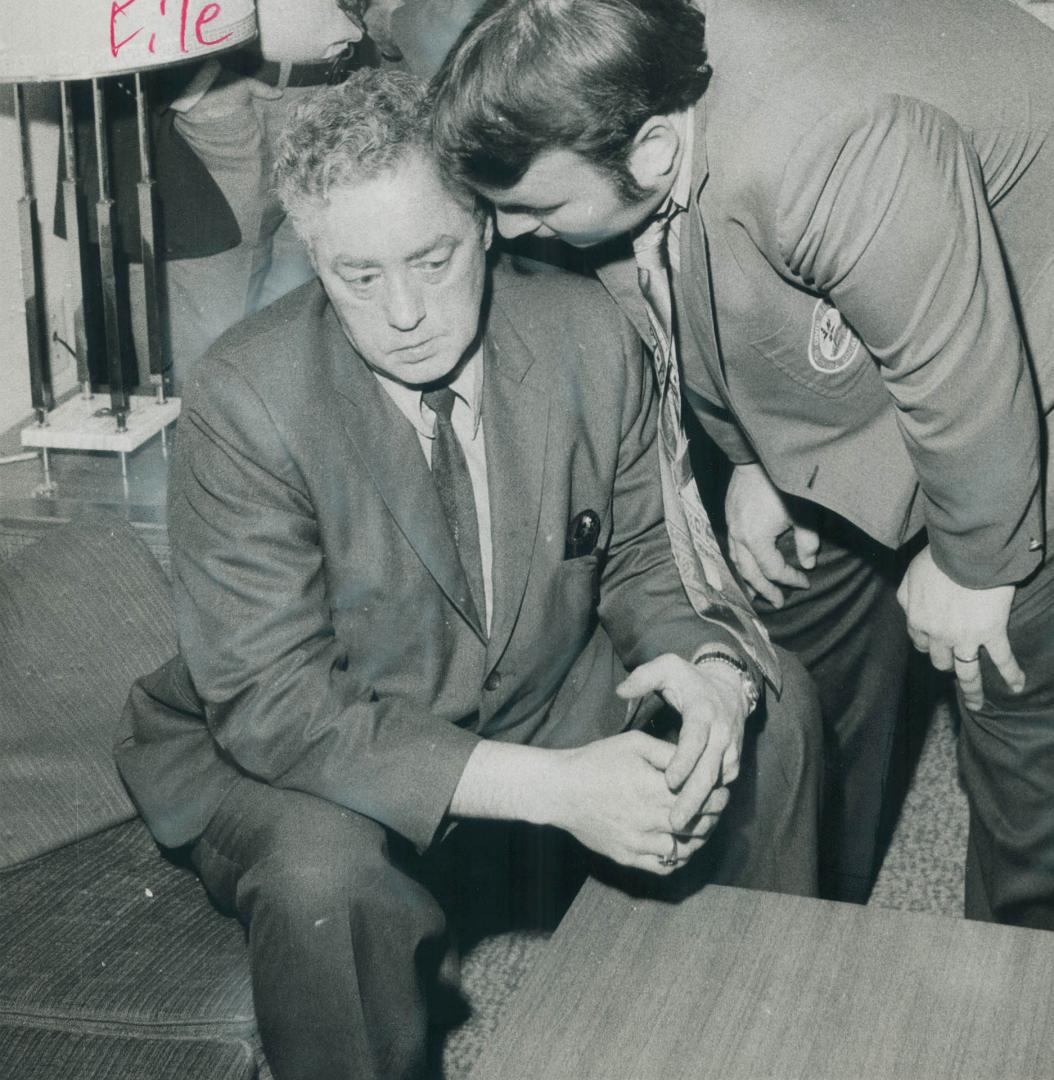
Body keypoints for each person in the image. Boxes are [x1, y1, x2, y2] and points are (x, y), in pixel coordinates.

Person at [116, 71, 822, 1080]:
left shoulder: (587, 331)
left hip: (529, 689)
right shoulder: (244, 397)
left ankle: (756, 1039)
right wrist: (554, 789)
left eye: (434, 258)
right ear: (314, 258)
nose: (405, 312)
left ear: (487, 225)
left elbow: (642, 563)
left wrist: (707, 670)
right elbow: (277, 704)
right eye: (359, 277)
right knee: (328, 879)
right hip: (306, 747)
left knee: (771, 709)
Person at [429, 0, 1054, 927]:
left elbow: (956, 360)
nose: (514, 237)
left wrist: (974, 561)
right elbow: (681, 286)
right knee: (805, 682)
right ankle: (807, 955)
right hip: (904, 304)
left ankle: (1012, 1003)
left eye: (535, 209)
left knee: (1013, 712)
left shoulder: (827, 143)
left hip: (1024, 342)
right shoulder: (632, 104)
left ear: (650, 152)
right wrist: (756, 461)